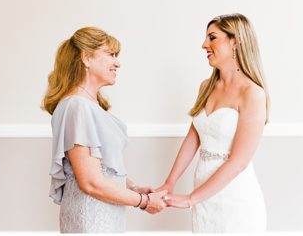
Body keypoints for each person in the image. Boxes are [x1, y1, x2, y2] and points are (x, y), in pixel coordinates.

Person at [44, 28, 166, 232]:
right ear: (86, 58)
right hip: (92, 220)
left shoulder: (87, 106)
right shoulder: (77, 106)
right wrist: (143, 201)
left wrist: (132, 187)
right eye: (111, 55)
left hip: (104, 216)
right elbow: (91, 181)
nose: (117, 63)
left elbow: (100, 167)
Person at [155, 15, 268, 232]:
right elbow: (194, 137)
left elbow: (239, 162)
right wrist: (170, 182)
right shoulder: (206, 86)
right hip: (204, 194)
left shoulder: (252, 93)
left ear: (235, 42)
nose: (204, 45)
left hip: (235, 197)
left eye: (212, 38)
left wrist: (190, 199)